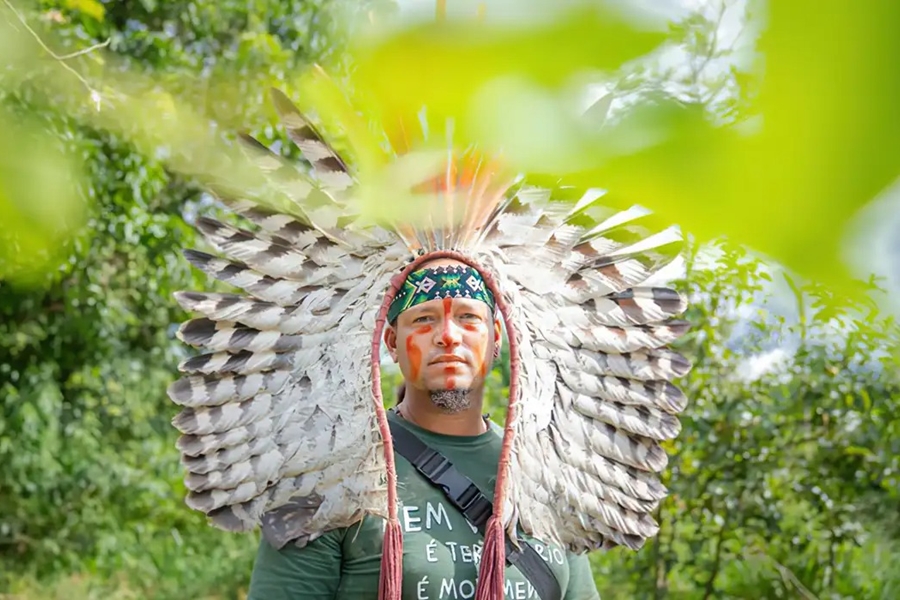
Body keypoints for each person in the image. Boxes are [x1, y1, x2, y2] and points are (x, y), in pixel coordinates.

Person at [246, 258, 602, 599]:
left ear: (495, 337)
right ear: (391, 343)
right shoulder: (329, 474)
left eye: (467, 317)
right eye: (424, 319)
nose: (448, 336)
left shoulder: (540, 474)